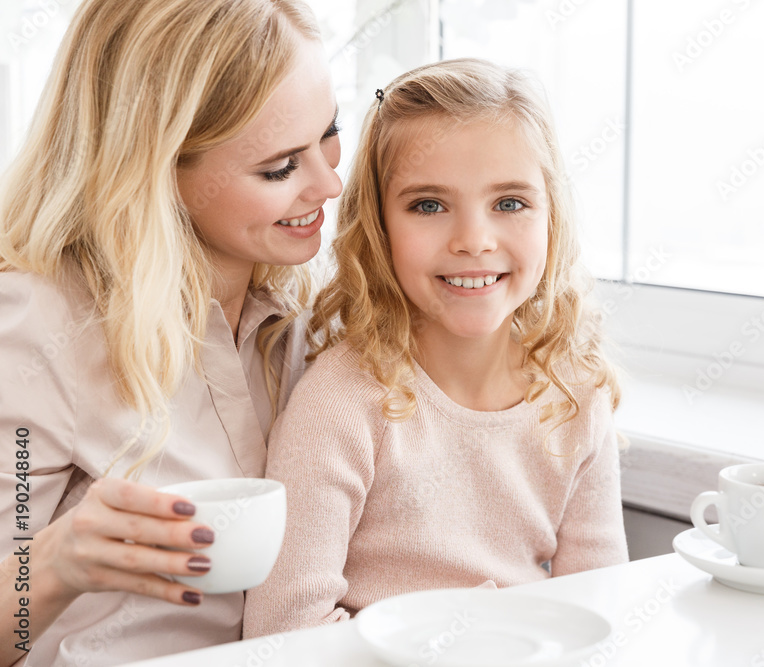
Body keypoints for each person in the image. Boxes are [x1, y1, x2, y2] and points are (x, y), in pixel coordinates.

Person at [0, 0, 342, 664]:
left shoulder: (307, 303)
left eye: (330, 130)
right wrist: (57, 562)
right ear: (155, 170)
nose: (329, 182)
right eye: (279, 167)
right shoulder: (37, 325)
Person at [243, 58, 629, 637]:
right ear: (379, 226)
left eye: (509, 203)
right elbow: (286, 632)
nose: (473, 240)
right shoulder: (341, 404)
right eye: (429, 205)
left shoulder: (576, 393)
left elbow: (602, 608)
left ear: (552, 215)